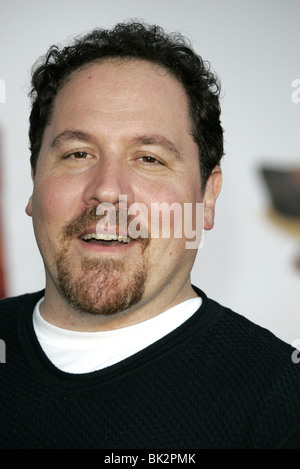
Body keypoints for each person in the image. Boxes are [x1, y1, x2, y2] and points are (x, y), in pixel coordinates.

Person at [0, 21, 300, 450]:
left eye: (149, 158)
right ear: (34, 179)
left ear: (207, 196)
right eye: (78, 153)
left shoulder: (280, 402)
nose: (107, 189)